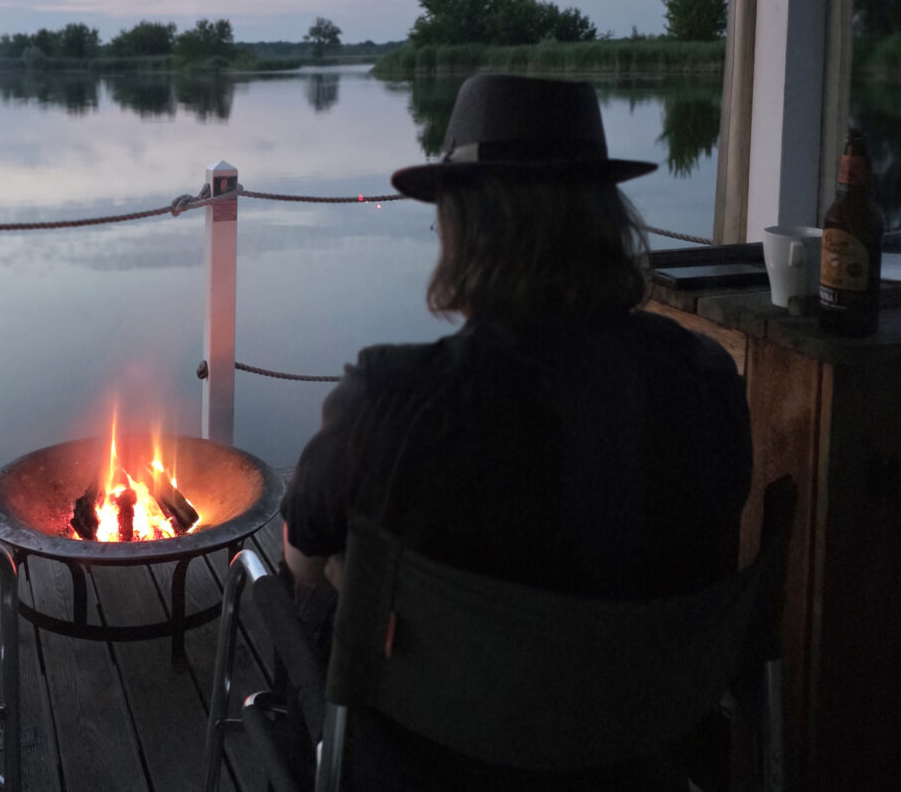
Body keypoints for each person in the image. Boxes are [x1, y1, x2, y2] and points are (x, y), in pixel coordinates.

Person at [280, 73, 752, 789]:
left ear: (462, 226)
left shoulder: (395, 398)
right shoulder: (707, 377)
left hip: (435, 761)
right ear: (603, 218)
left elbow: (302, 559)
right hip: (643, 747)